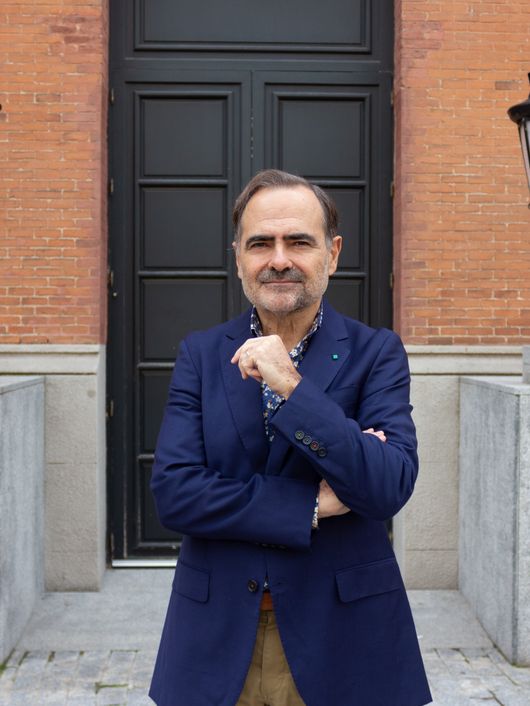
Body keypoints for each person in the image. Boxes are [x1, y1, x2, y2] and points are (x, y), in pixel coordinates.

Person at [149, 170, 432, 706]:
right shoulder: (202, 354)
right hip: (216, 637)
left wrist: (292, 386)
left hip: (346, 638)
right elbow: (176, 492)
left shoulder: (377, 353)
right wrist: (312, 504)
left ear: (333, 253)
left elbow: (388, 485)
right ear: (239, 257)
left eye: (299, 241)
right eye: (261, 243)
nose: (279, 259)